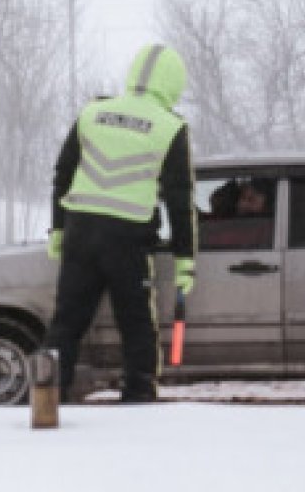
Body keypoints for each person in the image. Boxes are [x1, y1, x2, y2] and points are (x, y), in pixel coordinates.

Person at [44, 44, 197, 403]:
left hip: (80, 233)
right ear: (173, 83)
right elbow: (179, 199)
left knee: (66, 322)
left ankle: (47, 396)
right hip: (127, 238)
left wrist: (58, 229)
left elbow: (63, 174)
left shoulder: (93, 113)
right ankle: (138, 395)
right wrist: (184, 259)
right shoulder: (170, 127)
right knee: (136, 324)